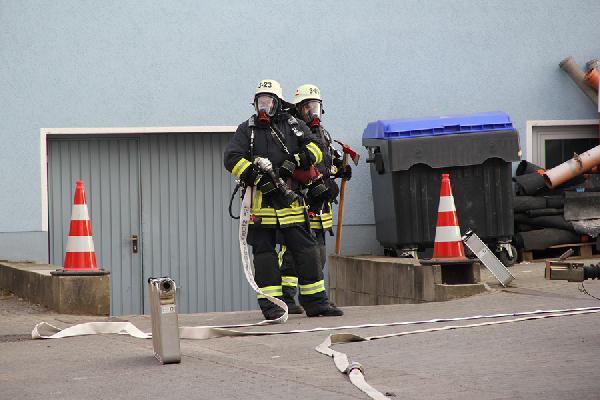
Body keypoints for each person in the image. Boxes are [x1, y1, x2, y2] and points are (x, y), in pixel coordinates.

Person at [224, 79, 343, 319]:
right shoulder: (247, 130)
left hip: (291, 204)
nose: (264, 107)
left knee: (307, 251)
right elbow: (232, 158)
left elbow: (316, 147)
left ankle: (316, 303)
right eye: (260, 102)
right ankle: (273, 306)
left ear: (278, 103)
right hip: (261, 205)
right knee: (265, 256)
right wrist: (256, 177)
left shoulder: (293, 124)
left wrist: (296, 161)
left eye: (269, 102)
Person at [278, 84, 351, 313]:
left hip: (321, 207)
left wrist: (339, 169)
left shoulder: (322, 134)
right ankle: (286, 300)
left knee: (318, 255)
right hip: (300, 202)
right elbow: (289, 167)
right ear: (298, 108)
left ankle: (316, 298)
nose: (313, 113)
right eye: (308, 107)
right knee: (291, 255)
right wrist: (311, 184)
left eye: (316, 107)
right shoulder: (290, 133)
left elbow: (326, 162)